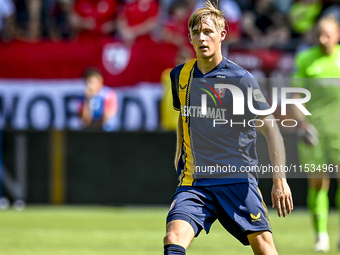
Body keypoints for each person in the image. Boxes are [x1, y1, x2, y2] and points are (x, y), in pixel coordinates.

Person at [163, 1, 293, 255]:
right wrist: (179, 148)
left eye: (208, 31)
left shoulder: (241, 79)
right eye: (196, 32)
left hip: (237, 179)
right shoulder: (180, 75)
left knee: (265, 248)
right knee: (173, 237)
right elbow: (183, 114)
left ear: (222, 35)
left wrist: (280, 180)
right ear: (189, 37)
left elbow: (272, 129)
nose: (202, 37)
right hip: (195, 181)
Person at [291, 15, 340, 252]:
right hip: (314, 132)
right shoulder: (305, 59)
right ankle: (321, 236)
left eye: (327, 35)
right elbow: (296, 94)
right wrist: (301, 124)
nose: (323, 39)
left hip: (339, 132)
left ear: (337, 35)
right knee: (318, 183)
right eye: (319, 34)